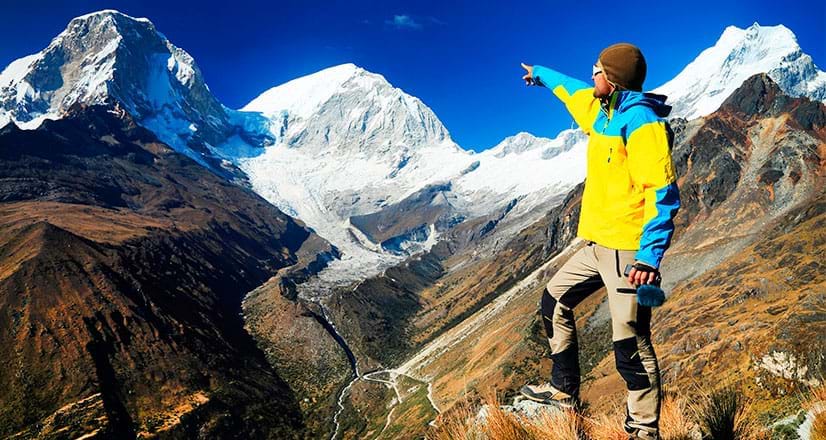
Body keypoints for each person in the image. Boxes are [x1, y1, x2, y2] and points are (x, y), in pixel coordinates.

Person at [518, 43, 680, 440]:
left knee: (630, 344)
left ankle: (643, 429)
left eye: (596, 70)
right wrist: (540, 72)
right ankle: (563, 391)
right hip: (596, 246)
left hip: (629, 254)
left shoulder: (641, 122)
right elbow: (571, 90)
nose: (590, 76)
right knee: (553, 301)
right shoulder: (601, 113)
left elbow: (663, 193)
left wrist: (648, 257)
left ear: (612, 78)